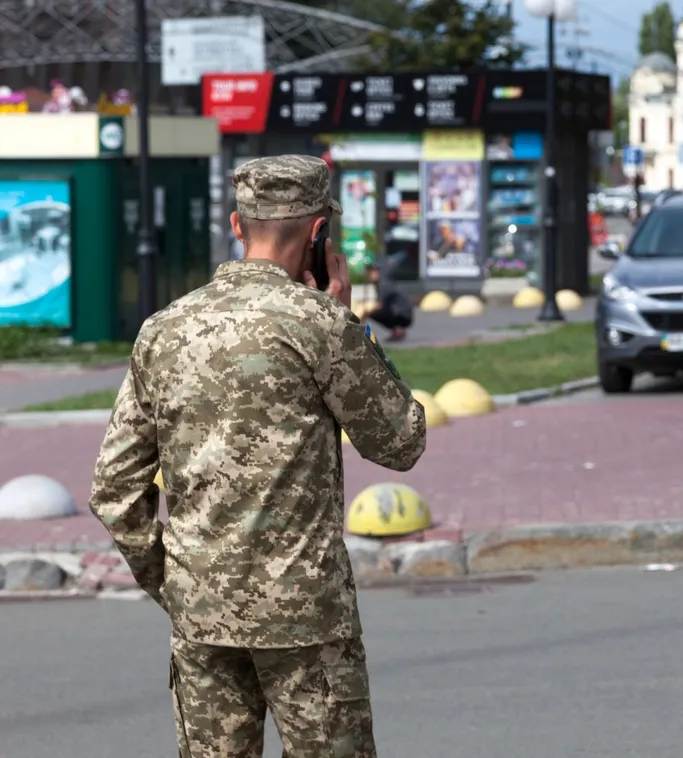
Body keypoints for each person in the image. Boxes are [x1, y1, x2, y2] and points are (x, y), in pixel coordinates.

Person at [88, 154, 428, 757]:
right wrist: (348, 320)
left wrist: (174, 583)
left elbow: (114, 489)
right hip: (307, 619)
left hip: (202, 614)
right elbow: (402, 441)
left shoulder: (165, 329)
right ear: (320, 232)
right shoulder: (320, 324)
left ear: (237, 225)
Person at [363, 260, 415, 342]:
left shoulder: (384, 284)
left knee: (374, 313)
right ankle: (397, 330)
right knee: (377, 312)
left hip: (402, 314)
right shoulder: (384, 282)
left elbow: (380, 305)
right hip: (402, 313)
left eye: (372, 272)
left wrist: (364, 313)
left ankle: (398, 330)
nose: (370, 274)